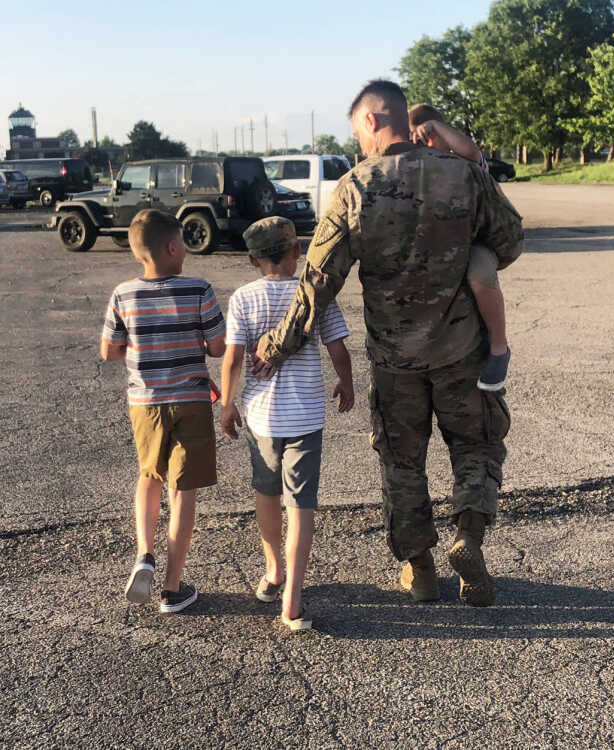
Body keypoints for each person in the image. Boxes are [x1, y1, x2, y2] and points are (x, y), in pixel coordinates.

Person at [252, 80, 523, 607]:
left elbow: (317, 283)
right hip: (462, 352)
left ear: (373, 121)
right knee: (476, 446)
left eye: (357, 132)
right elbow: (510, 238)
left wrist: (276, 346)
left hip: (395, 361)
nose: (359, 144)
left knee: (402, 461)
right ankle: (468, 538)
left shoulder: (354, 188)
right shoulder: (464, 176)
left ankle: (419, 570)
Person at [220, 216, 354, 631]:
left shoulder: (243, 297)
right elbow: (338, 348)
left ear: (252, 260)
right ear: (298, 252)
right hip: (306, 415)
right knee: (302, 505)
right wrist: (346, 383)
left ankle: (273, 570)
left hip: (262, 417)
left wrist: (227, 405)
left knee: (265, 493)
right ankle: (292, 600)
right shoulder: (315, 295)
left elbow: (233, 358)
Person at [101, 209, 225, 614]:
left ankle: (144, 554)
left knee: (149, 475)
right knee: (182, 489)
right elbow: (217, 346)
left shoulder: (123, 294)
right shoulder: (198, 289)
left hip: (145, 403)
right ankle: (173, 588)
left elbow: (109, 350)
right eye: (184, 242)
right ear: (172, 247)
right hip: (190, 399)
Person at [409, 103, 511, 391]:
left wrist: (436, 127)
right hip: (441, 243)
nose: (424, 143)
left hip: (479, 239)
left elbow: (473, 151)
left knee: (478, 273)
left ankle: (499, 348)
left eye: (429, 136)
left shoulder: (463, 163)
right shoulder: (418, 168)